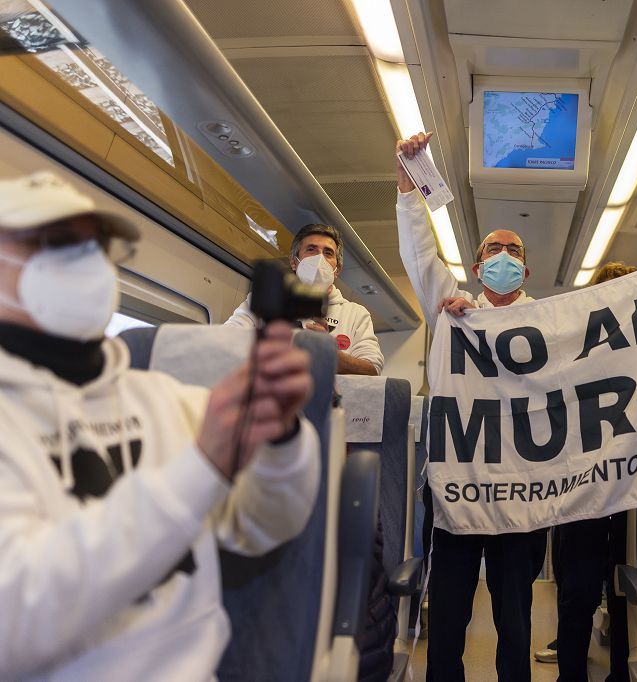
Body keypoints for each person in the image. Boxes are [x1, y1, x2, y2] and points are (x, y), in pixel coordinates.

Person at [0, 171, 320, 679]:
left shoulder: (167, 399)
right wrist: (199, 468)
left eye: (96, 245)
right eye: (55, 243)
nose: (85, 262)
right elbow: (13, 622)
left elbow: (262, 526)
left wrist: (280, 440)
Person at [396, 131, 547, 682]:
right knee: (452, 612)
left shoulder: (551, 323)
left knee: (515, 616)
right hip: (459, 487)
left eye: (513, 252)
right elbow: (418, 251)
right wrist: (408, 181)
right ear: (476, 265)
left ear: (525, 272)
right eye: (490, 249)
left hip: (521, 491)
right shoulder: (450, 310)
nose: (501, 256)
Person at [540, 262, 635, 681]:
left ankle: (621, 673)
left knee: (623, 593)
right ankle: (571, 674)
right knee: (576, 592)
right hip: (582, 489)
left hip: (634, 487)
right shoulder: (575, 351)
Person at [226, 222, 384, 375]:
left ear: (337, 270)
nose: (319, 259)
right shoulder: (266, 299)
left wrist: (329, 354)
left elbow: (372, 368)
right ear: (294, 262)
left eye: (328, 253)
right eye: (311, 250)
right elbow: (226, 338)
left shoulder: (356, 314)